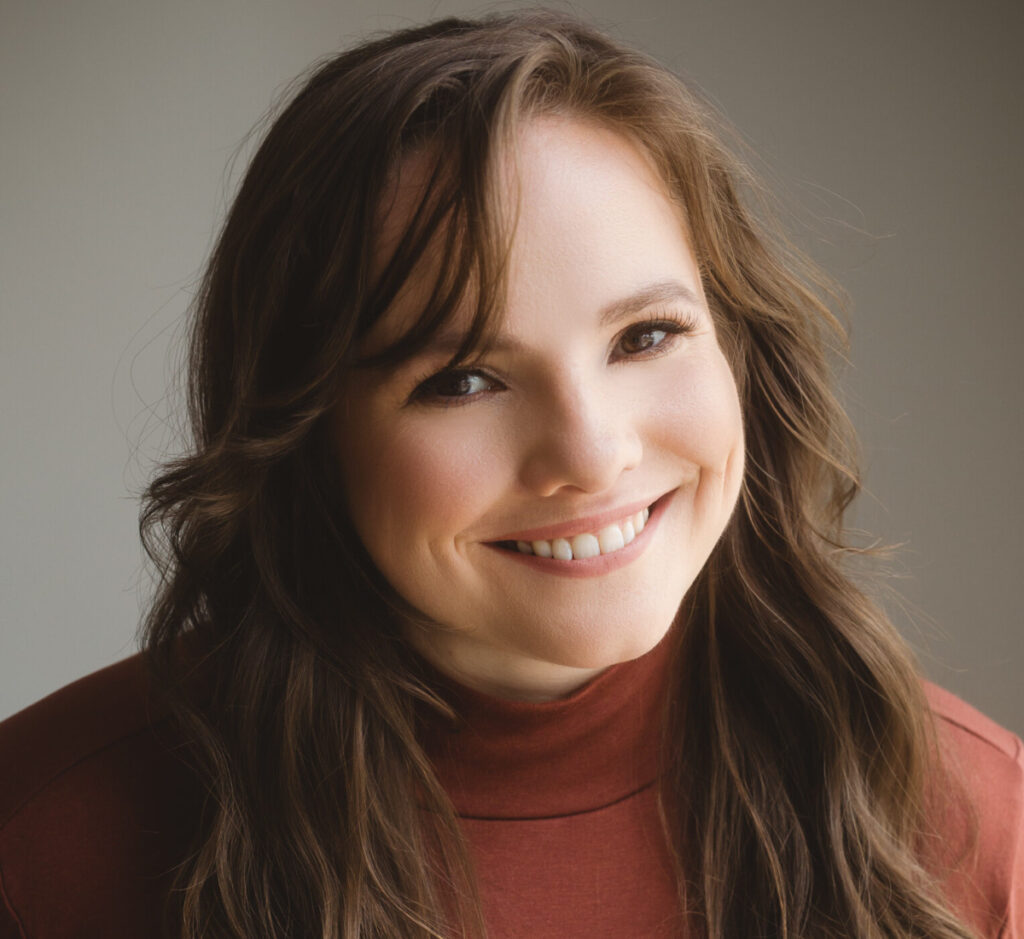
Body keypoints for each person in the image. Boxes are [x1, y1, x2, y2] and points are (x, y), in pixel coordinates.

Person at [0, 9, 1020, 938]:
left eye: (647, 335)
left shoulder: (974, 816)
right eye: (465, 379)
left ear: (739, 350)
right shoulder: (43, 841)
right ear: (306, 431)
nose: (589, 454)